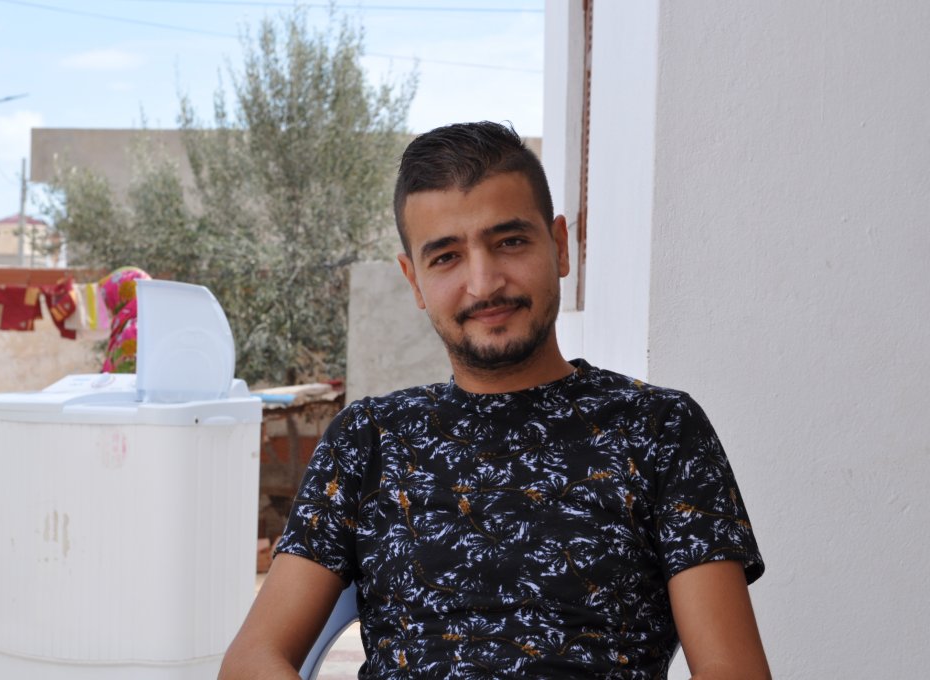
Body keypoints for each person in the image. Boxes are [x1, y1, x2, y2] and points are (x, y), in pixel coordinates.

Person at [219, 122, 771, 679]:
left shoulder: (660, 428)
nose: (483, 284)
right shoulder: (369, 438)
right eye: (446, 257)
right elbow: (251, 660)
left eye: (509, 242)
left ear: (559, 246)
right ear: (413, 280)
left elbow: (732, 669)